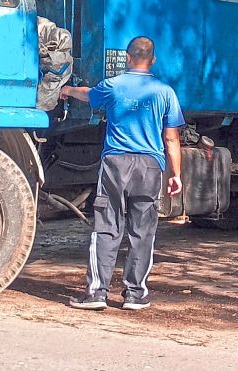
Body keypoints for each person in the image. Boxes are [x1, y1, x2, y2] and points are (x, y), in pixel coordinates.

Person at [58, 36, 185, 311]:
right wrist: (176, 174)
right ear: (153, 60)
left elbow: (87, 94)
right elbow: (172, 139)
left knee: (107, 226)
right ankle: (135, 295)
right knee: (143, 232)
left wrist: (66, 90)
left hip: (116, 163)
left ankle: (96, 293)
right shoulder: (165, 92)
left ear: (128, 58)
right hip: (150, 166)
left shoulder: (112, 86)